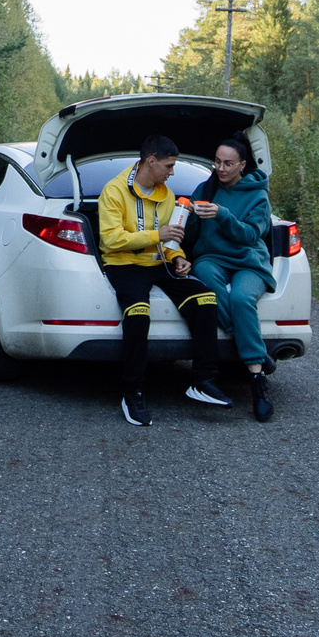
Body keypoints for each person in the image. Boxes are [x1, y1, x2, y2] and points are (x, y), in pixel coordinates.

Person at [96, 134, 230, 425]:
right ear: (151, 161)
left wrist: (178, 258)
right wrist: (159, 236)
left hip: (158, 263)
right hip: (124, 264)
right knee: (139, 313)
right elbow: (110, 239)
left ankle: (203, 381)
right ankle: (133, 393)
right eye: (168, 166)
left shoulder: (166, 195)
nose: (172, 172)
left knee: (205, 299)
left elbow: (171, 241)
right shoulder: (114, 191)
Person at [184, 136, 279, 421]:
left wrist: (222, 215)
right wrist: (186, 217)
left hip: (249, 260)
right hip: (212, 258)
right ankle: (255, 351)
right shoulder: (206, 188)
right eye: (216, 161)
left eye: (227, 163)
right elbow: (192, 235)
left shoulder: (257, 195)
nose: (220, 168)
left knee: (240, 298)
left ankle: (257, 384)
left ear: (242, 165)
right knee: (205, 279)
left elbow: (250, 236)